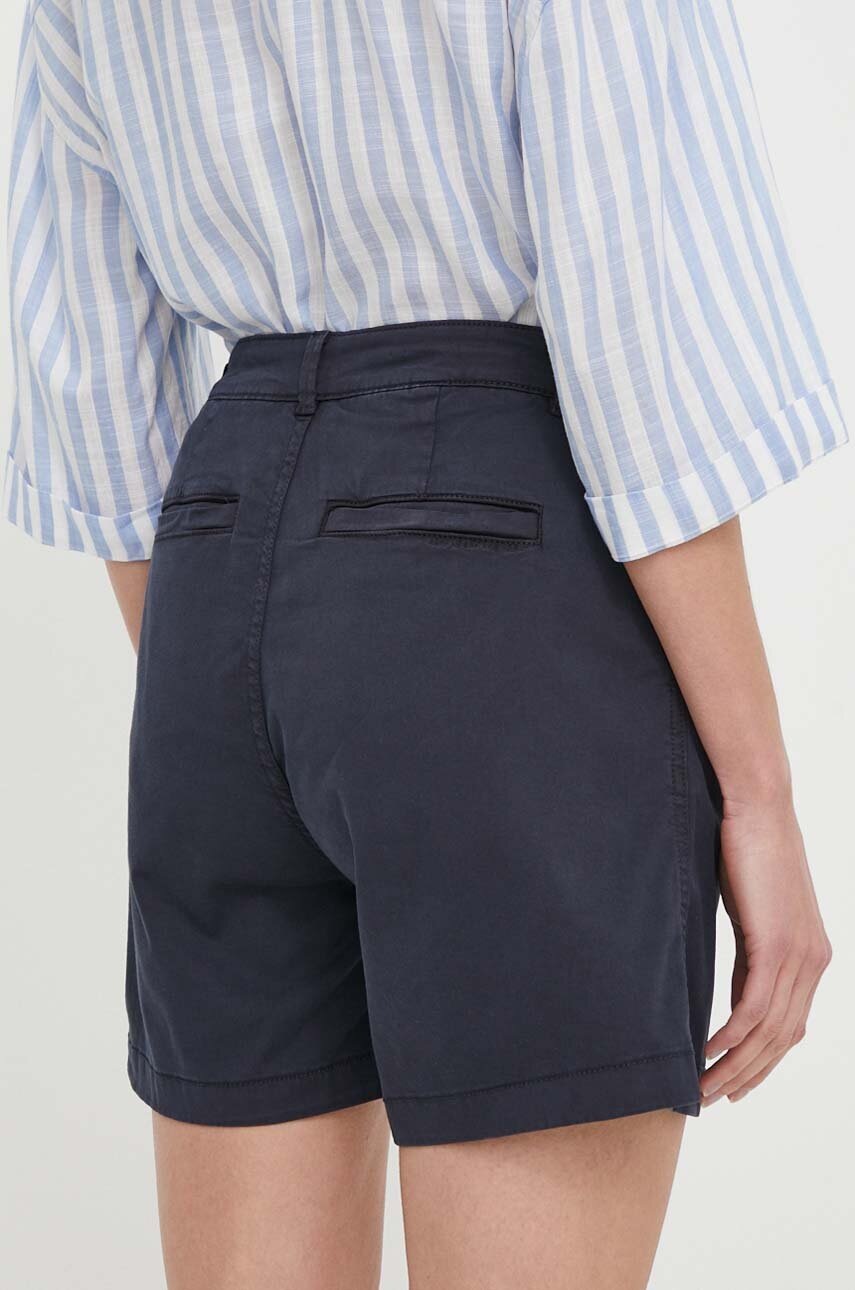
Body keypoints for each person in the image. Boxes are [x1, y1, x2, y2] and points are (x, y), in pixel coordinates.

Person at [5, 2, 845, 1287]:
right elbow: (640, 322)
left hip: (214, 574)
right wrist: (762, 798)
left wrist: (248, 681)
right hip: (498, 573)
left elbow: (90, 370)